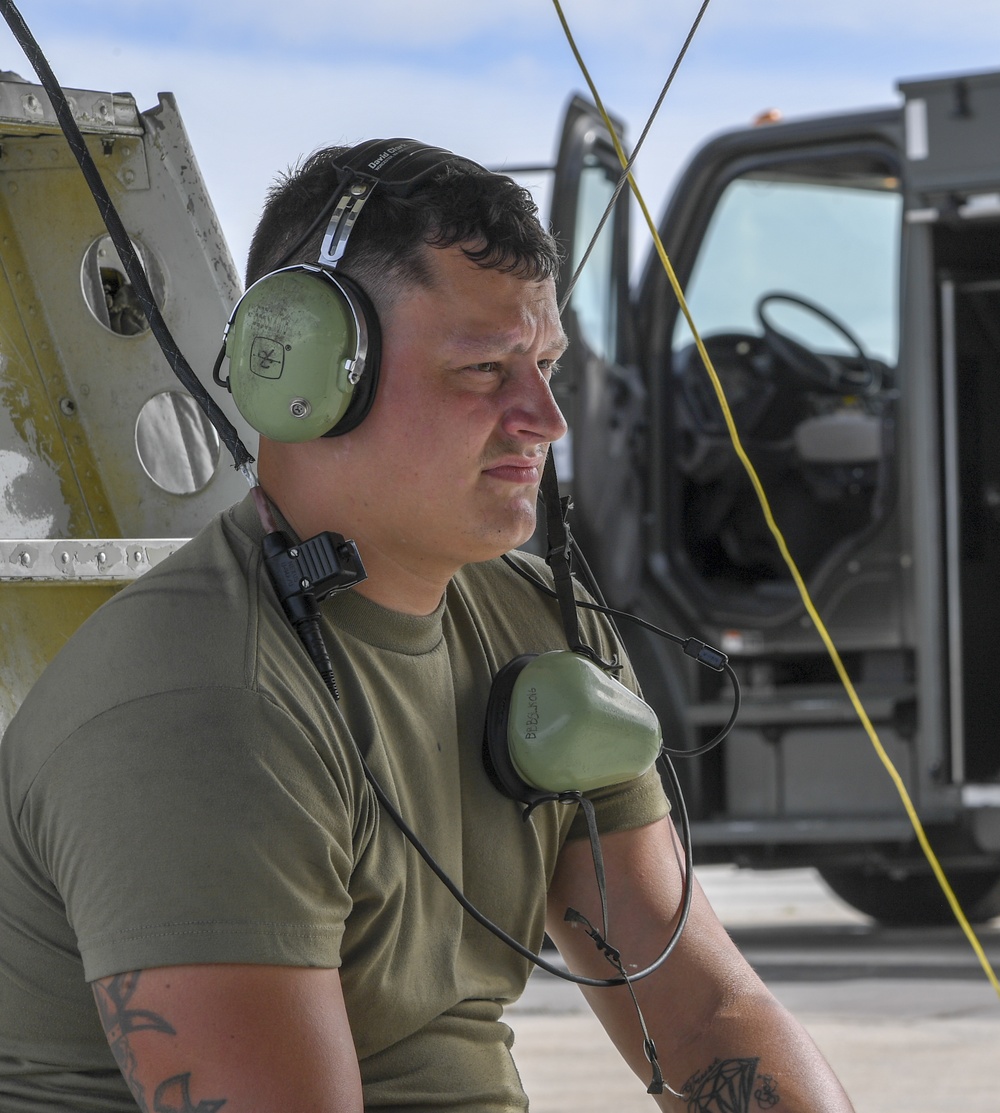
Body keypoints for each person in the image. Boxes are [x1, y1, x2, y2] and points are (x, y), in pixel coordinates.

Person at [0, 138, 855, 1113]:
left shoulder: (539, 624)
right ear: (305, 379)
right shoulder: (199, 709)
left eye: (544, 364)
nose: (544, 417)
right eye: (484, 369)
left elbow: (702, 1016)